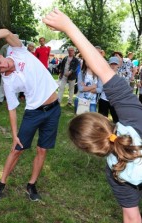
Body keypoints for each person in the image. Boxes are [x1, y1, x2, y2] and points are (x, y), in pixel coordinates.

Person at [43, 9, 142, 223]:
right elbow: (103, 70)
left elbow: (132, 218)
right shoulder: (132, 115)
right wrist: (68, 25)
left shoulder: (116, 172)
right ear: (103, 119)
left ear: (89, 150)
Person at [0, 29, 61, 201]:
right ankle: (1, 184)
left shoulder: (18, 51)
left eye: (0, 63)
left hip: (54, 109)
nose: (3, 67)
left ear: (0, 56)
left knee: (42, 149)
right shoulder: (8, 81)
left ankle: (31, 185)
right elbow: (12, 108)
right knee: (17, 149)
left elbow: (4, 32)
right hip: (34, 112)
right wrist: (14, 135)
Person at [98, 56, 119, 123]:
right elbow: (101, 87)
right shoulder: (103, 75)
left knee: (117, 120)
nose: (113, 66)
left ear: (117, 65)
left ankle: (116, 133)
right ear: (108, 64)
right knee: (102, 120)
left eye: (115, 64)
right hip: (104, 99)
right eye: (111, 64)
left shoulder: (120, 76)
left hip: (115, 101)